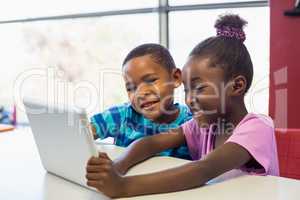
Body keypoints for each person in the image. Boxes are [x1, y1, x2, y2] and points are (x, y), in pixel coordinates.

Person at [86, 14, 279, 198]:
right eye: (187, 90)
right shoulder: (203, 124)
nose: (188, 99)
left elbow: (203, 169)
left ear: (236, 86)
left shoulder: (257, 127)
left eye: (200, 88)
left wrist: (122, 186)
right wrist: (118, 166)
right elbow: (150, 143)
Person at [90, 43, 192, 159]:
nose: (140, 93)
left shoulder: (191, 122)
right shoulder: (122, 115)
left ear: (175, 78)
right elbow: (82, 134)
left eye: (151, 80)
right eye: (131, 88)